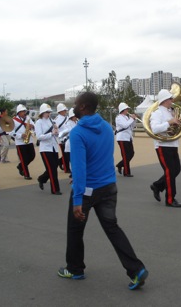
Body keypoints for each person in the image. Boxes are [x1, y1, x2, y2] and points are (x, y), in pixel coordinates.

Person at [58, 92, 148, 290]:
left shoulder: (78, 132)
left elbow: (79, 170)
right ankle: (136, 269)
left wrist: (78, 199)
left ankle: (75, 269)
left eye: (76, 103)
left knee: (75, 230)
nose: (73, 105)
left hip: (88, 189)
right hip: (108, 186)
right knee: (112, 228)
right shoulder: (107, 127)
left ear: (83, 107)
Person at [149, 89, 181, 208]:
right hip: (162, 145)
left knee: (176, 169)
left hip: (173, 144)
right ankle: (170, 199)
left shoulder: (171, 111)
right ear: (164, 100)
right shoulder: (157, 113)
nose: (173, 100)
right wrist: (169, 122)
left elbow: (177, 125)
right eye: (170, 98)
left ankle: (157, 186)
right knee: (170, 171)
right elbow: (155, 129)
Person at [35, 103, 61, 195]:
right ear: (42, 112)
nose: (49, 114)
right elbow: (39, 137)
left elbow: (57, 134)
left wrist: (57, 131)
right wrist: (51, 134)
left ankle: (42, 178)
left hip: (54, 147)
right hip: (45, 149)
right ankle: (55, 189)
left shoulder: (52, 121)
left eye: (49, 112)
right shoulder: (39, 122)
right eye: (47, 112)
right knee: (52, 169)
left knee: (53, 167)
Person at [11, 104, 36, 180]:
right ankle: (26, 174)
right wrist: (20, 135)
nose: (24, 113)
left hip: (29, 140)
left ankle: (20, 166)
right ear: (18, 112)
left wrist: (33, 126)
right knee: (24, 158)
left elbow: (34, 125)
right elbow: (11, 132)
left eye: (24, 111)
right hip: (20, 142)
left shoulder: (28, 118)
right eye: (22, 111)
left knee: (32, 156)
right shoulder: (14, 120)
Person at [115, 102, 137, 177]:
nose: (128, 110)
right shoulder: (118, 118)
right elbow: (125, 125)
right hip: (122, 138)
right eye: (126, 109)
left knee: (131, 153)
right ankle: (126, 172)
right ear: (123, 109)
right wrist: (131, 119)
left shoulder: (127, 117)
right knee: (125, 155)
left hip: (128, 137)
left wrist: (134, 120)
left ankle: (120, 165)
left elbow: (132, 126)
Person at [57, 108, 77, 175]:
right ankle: (72, 172)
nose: (76, 117)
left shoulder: (76, 122)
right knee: (71, 160)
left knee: (75, 159)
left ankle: (73, 172)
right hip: (69, 144)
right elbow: (68, 131)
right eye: (75, 116)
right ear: (72, 116)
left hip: (75, 143)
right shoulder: (68, 123)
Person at [55, 103, 70, 173]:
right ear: (60, 111)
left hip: (68, 138)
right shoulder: (56, 119)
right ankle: (66, 168)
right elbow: (56, 130)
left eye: (65, 110)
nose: (65, 111)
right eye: (64, 110)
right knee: (65, 154)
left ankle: (59, 162)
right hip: (62, 139)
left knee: (68, 153)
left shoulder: (67, 118)